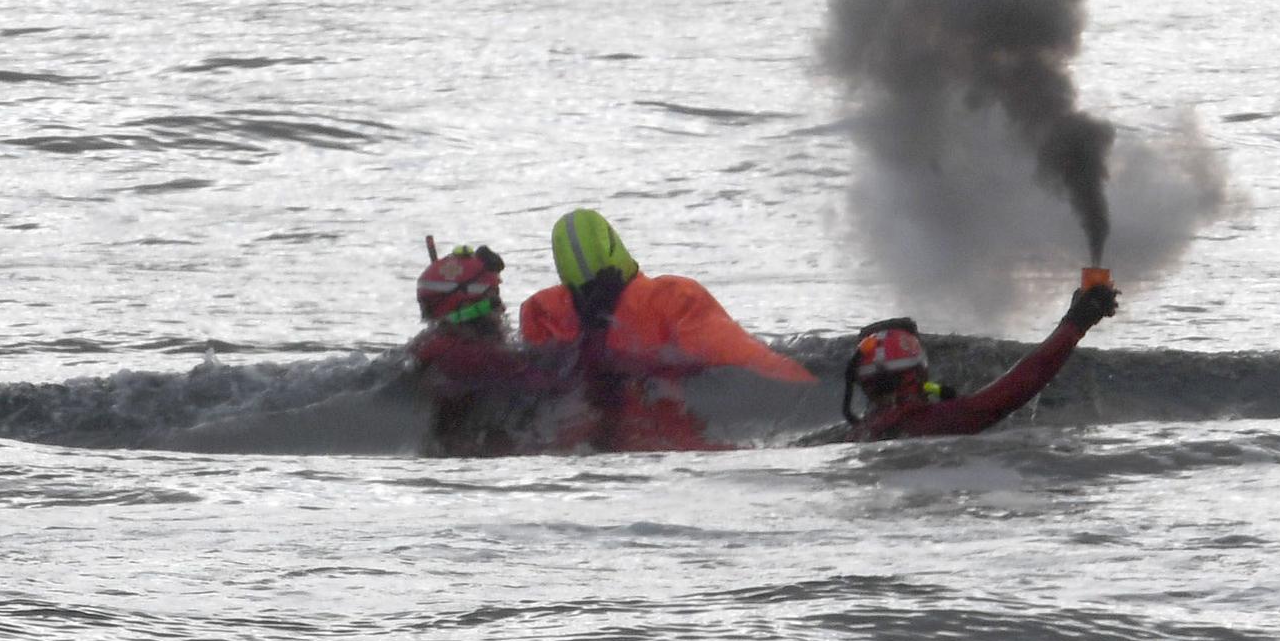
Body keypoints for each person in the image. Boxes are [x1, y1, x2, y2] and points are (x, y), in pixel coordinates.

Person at [519, 209, 814, 452]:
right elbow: (751, 362)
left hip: (587, 450)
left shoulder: (544, 316)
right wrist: (818, 390)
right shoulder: (674, 300)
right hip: (680, 446)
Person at [840, 280, 1119, 442]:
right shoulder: (936, 421)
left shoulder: (859, 432)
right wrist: (1077, 322)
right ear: (918, 372)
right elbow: (1022, 382)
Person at [408, 238, 569, 457]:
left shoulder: (429, 345)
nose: (502, 308)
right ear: (466, 307)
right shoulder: (477, 357)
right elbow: (554, 386)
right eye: (493, 298)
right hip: (469, 457)